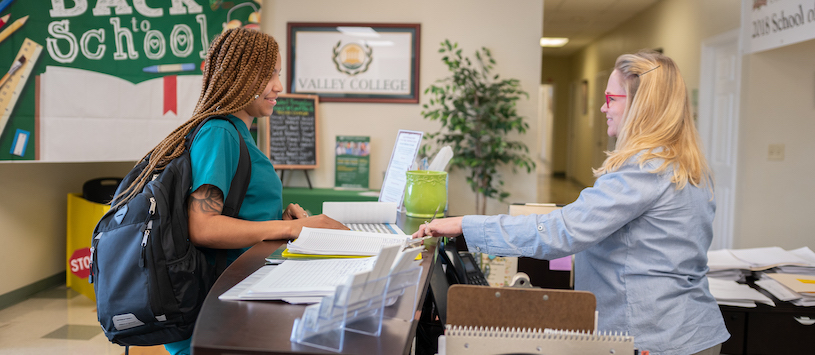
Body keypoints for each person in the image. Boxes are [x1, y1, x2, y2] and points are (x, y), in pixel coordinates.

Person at [413, 50, 729, 355]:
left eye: (611, 99)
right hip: (687, 328)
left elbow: (561, 232)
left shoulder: (644, 168)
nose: (604, 109)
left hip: (654, 333)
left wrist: (464, 224)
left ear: (641, 105)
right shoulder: (684, 164)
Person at [114, 27, 347, 355]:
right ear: (241, 77)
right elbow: (204, 226)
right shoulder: (219, 132)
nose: (278, 86)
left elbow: (234, 213)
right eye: (268, 75)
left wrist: (276, 218)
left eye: (278, 74)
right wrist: (293, 227)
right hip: (215, 313)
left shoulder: (235, 131)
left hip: (234, 300)